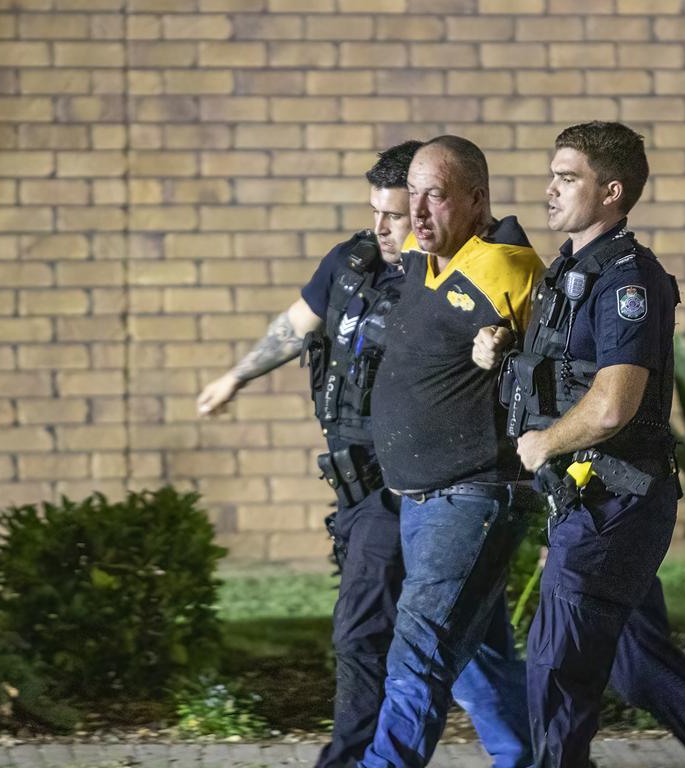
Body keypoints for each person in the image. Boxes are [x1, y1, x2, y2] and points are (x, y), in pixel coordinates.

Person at [196, 141, 531, 768]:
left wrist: (501, 345)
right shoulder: (360, 264)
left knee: (390, 643)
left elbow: (522, 327)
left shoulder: (473, 267)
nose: (388, 226)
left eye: (401, 212)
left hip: (432, 491)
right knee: (476, 655)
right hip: (399, 491)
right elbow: (298, 326)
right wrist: (235, 377)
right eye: (381, 211)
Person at [479, 121, 685, 767]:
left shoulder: (626, 280)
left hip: (612, 503)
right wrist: (505, 351)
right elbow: (564, 374)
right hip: (595, 500)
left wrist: (542, 444)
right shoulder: (569, 271)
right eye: (552, 175)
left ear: (611, 191)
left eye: (568, 178)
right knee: (643, 669)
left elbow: (615, 402)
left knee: (556, 672)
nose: (550, 190)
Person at [356, 135, 543, 768]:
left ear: (477, 199)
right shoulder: (417, 252)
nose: (418, 212)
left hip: (472, 495)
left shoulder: (511, 271)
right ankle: (532, 759)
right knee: (477, 661)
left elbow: (557, 372)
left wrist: (505, 350)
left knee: (419, 649)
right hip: (422, 497)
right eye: (413, 196)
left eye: (436, 196)